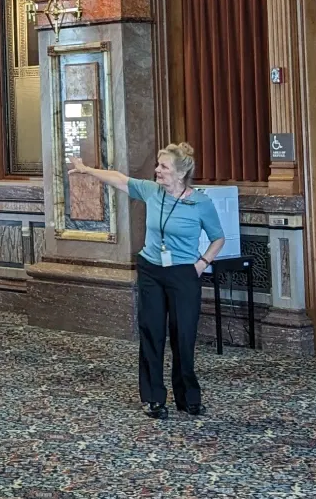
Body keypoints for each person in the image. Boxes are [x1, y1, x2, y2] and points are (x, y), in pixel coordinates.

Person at [68, 143, 225, 419]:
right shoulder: (152, 192)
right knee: (152, 333)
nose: (157, 170)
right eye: (158, 165)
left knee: (183, 337)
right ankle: (153, 397)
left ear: (180, 173)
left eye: (163, 167)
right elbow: (119, 179)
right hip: (151, 271)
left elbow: (218, 238)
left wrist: (201, 264)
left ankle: (188, 397)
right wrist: (86, 169)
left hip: (183, 274)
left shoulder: (200, 203)